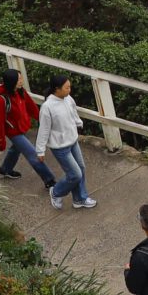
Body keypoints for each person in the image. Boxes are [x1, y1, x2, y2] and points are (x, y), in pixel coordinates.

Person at [36, 76, 95, 209]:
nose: (70, 89)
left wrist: (79, 123)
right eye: (67, 87)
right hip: (60, 147)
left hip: (73, 141)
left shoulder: (68, 98)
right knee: (75, 174)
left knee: (81, 169)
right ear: (57, 89)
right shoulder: (47, 107)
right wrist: (40, 150)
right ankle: (56, 192)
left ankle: (80, 199)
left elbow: (73, 112)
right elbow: (43, 129)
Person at [0, 70, 55, 185]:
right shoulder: (1, 100)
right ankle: (49, 180)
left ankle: (5, 169)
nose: (21, 81)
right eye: (19, 79)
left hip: (22, 127)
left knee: (15, 149)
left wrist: (44, 121)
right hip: (13, 132)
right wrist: (0, 142)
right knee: (33, 154)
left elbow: (31, 107)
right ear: (12, 82)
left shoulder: (20, 91)